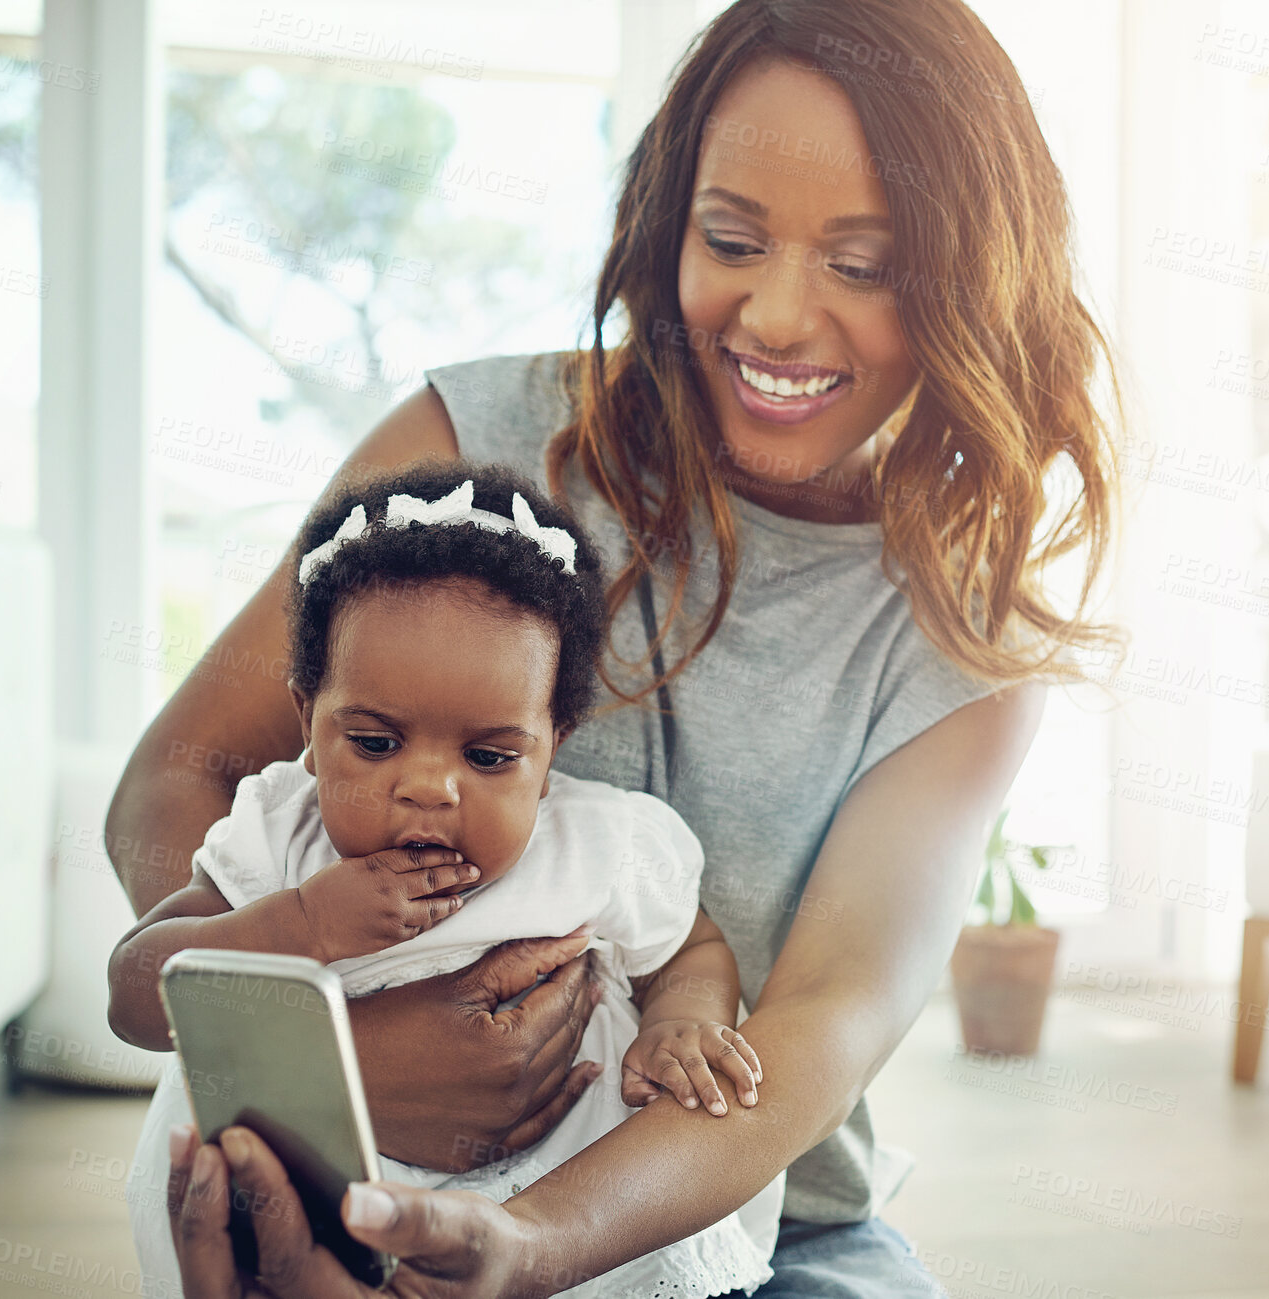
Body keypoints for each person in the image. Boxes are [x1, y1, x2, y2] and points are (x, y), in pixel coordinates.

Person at [107, 0, 1127, 1293]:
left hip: (749, 1225)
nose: (775, 315)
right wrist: (327, 1067)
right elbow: (178, 777)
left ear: (972, 273)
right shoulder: (467, 448)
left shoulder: (966, 637)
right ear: (667, 225)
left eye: (862, 263)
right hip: (346, 1181)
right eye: (730, 238)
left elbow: (825, 1017)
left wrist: (531, 1238)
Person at [107, 464, 783, 1298]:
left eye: (489, 756)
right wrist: (303, 924)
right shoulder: (284, 837)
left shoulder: (597, 840)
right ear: (307, 723)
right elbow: (137, 993)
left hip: (564, 1207)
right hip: (323, 1199)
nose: (430, 785)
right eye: (376, 742)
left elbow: (691, 942)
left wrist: (681, 1018)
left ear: (552, 749)